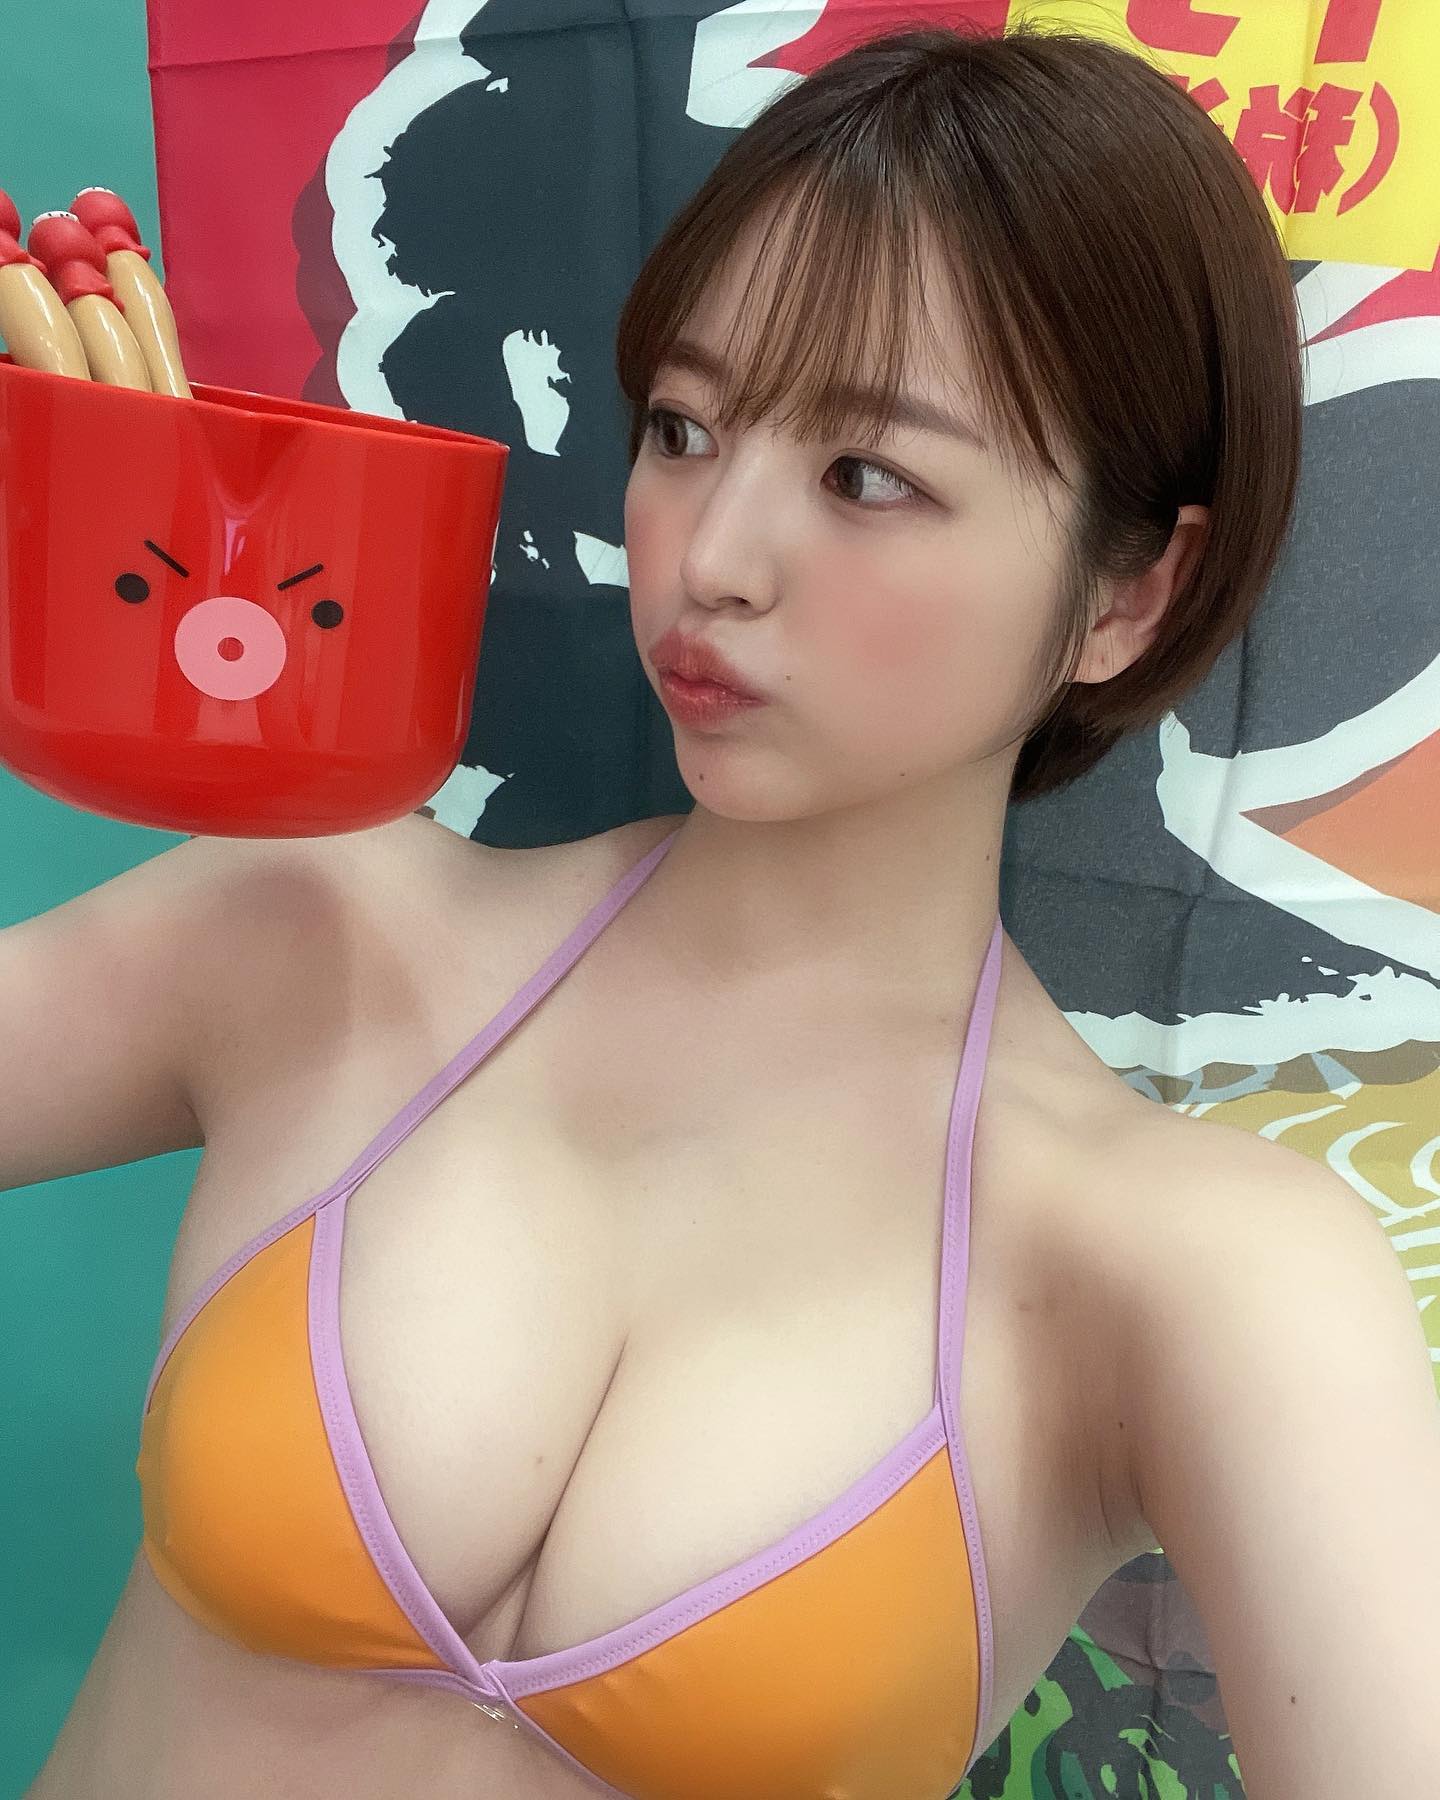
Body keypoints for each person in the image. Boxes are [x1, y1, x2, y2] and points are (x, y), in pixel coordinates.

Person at [10, 20, 1403, 1800]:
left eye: (868, 476)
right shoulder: (330, 935)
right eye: (683, 428)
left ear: (1134, 592)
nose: (710, 558)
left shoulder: (1184, 1265)